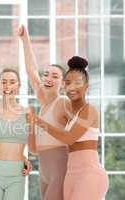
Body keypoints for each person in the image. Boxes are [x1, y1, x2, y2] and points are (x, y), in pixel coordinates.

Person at [31, 56, 109, 200]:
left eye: (77, 83)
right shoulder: (71, 115)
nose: (72, 87)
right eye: (68, 83)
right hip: (71, 174)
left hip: (89, 174)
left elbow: (69, 138)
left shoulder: (89, 110)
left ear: (86, 86)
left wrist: (38, 121)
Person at [18, 25, 70, 200]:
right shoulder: (44, 104)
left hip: (60, 168)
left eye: (55, 76)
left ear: (63, 84)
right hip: (44, 169)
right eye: (46, 74)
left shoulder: (64, 102)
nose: (48, 78)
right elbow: (32, 71)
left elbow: (76, 135)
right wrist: (25, 40)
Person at [0, 68, 33, 200]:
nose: (8, 86)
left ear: (19, 85)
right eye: (3, 82)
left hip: (17, 172)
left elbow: (33, 144)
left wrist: (23, 157)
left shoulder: (27, 113)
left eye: (12, 82)